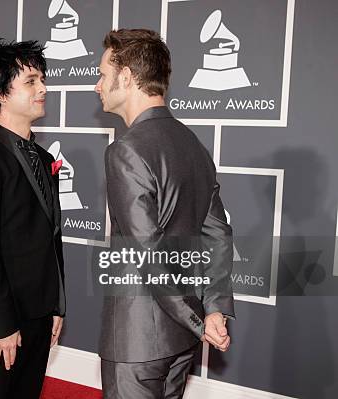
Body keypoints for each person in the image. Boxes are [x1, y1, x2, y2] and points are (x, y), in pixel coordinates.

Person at [94, 29, 235, 399]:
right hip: (181, 340)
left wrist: (196, 319)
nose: (97, 86)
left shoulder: (125, 150)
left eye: (103, 75)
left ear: (126, 77)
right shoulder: (193, 145)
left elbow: (147, 252)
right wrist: (213, 309)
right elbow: (219, 235)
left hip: (137, 341)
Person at [0, 37, 66, 399]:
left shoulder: (43, 156)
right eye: (31, 81)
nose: (43, 88)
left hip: (38, 313)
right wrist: (1, 326)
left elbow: (52, 237)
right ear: (1, 93)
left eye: (42, 79)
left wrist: (56, 306)